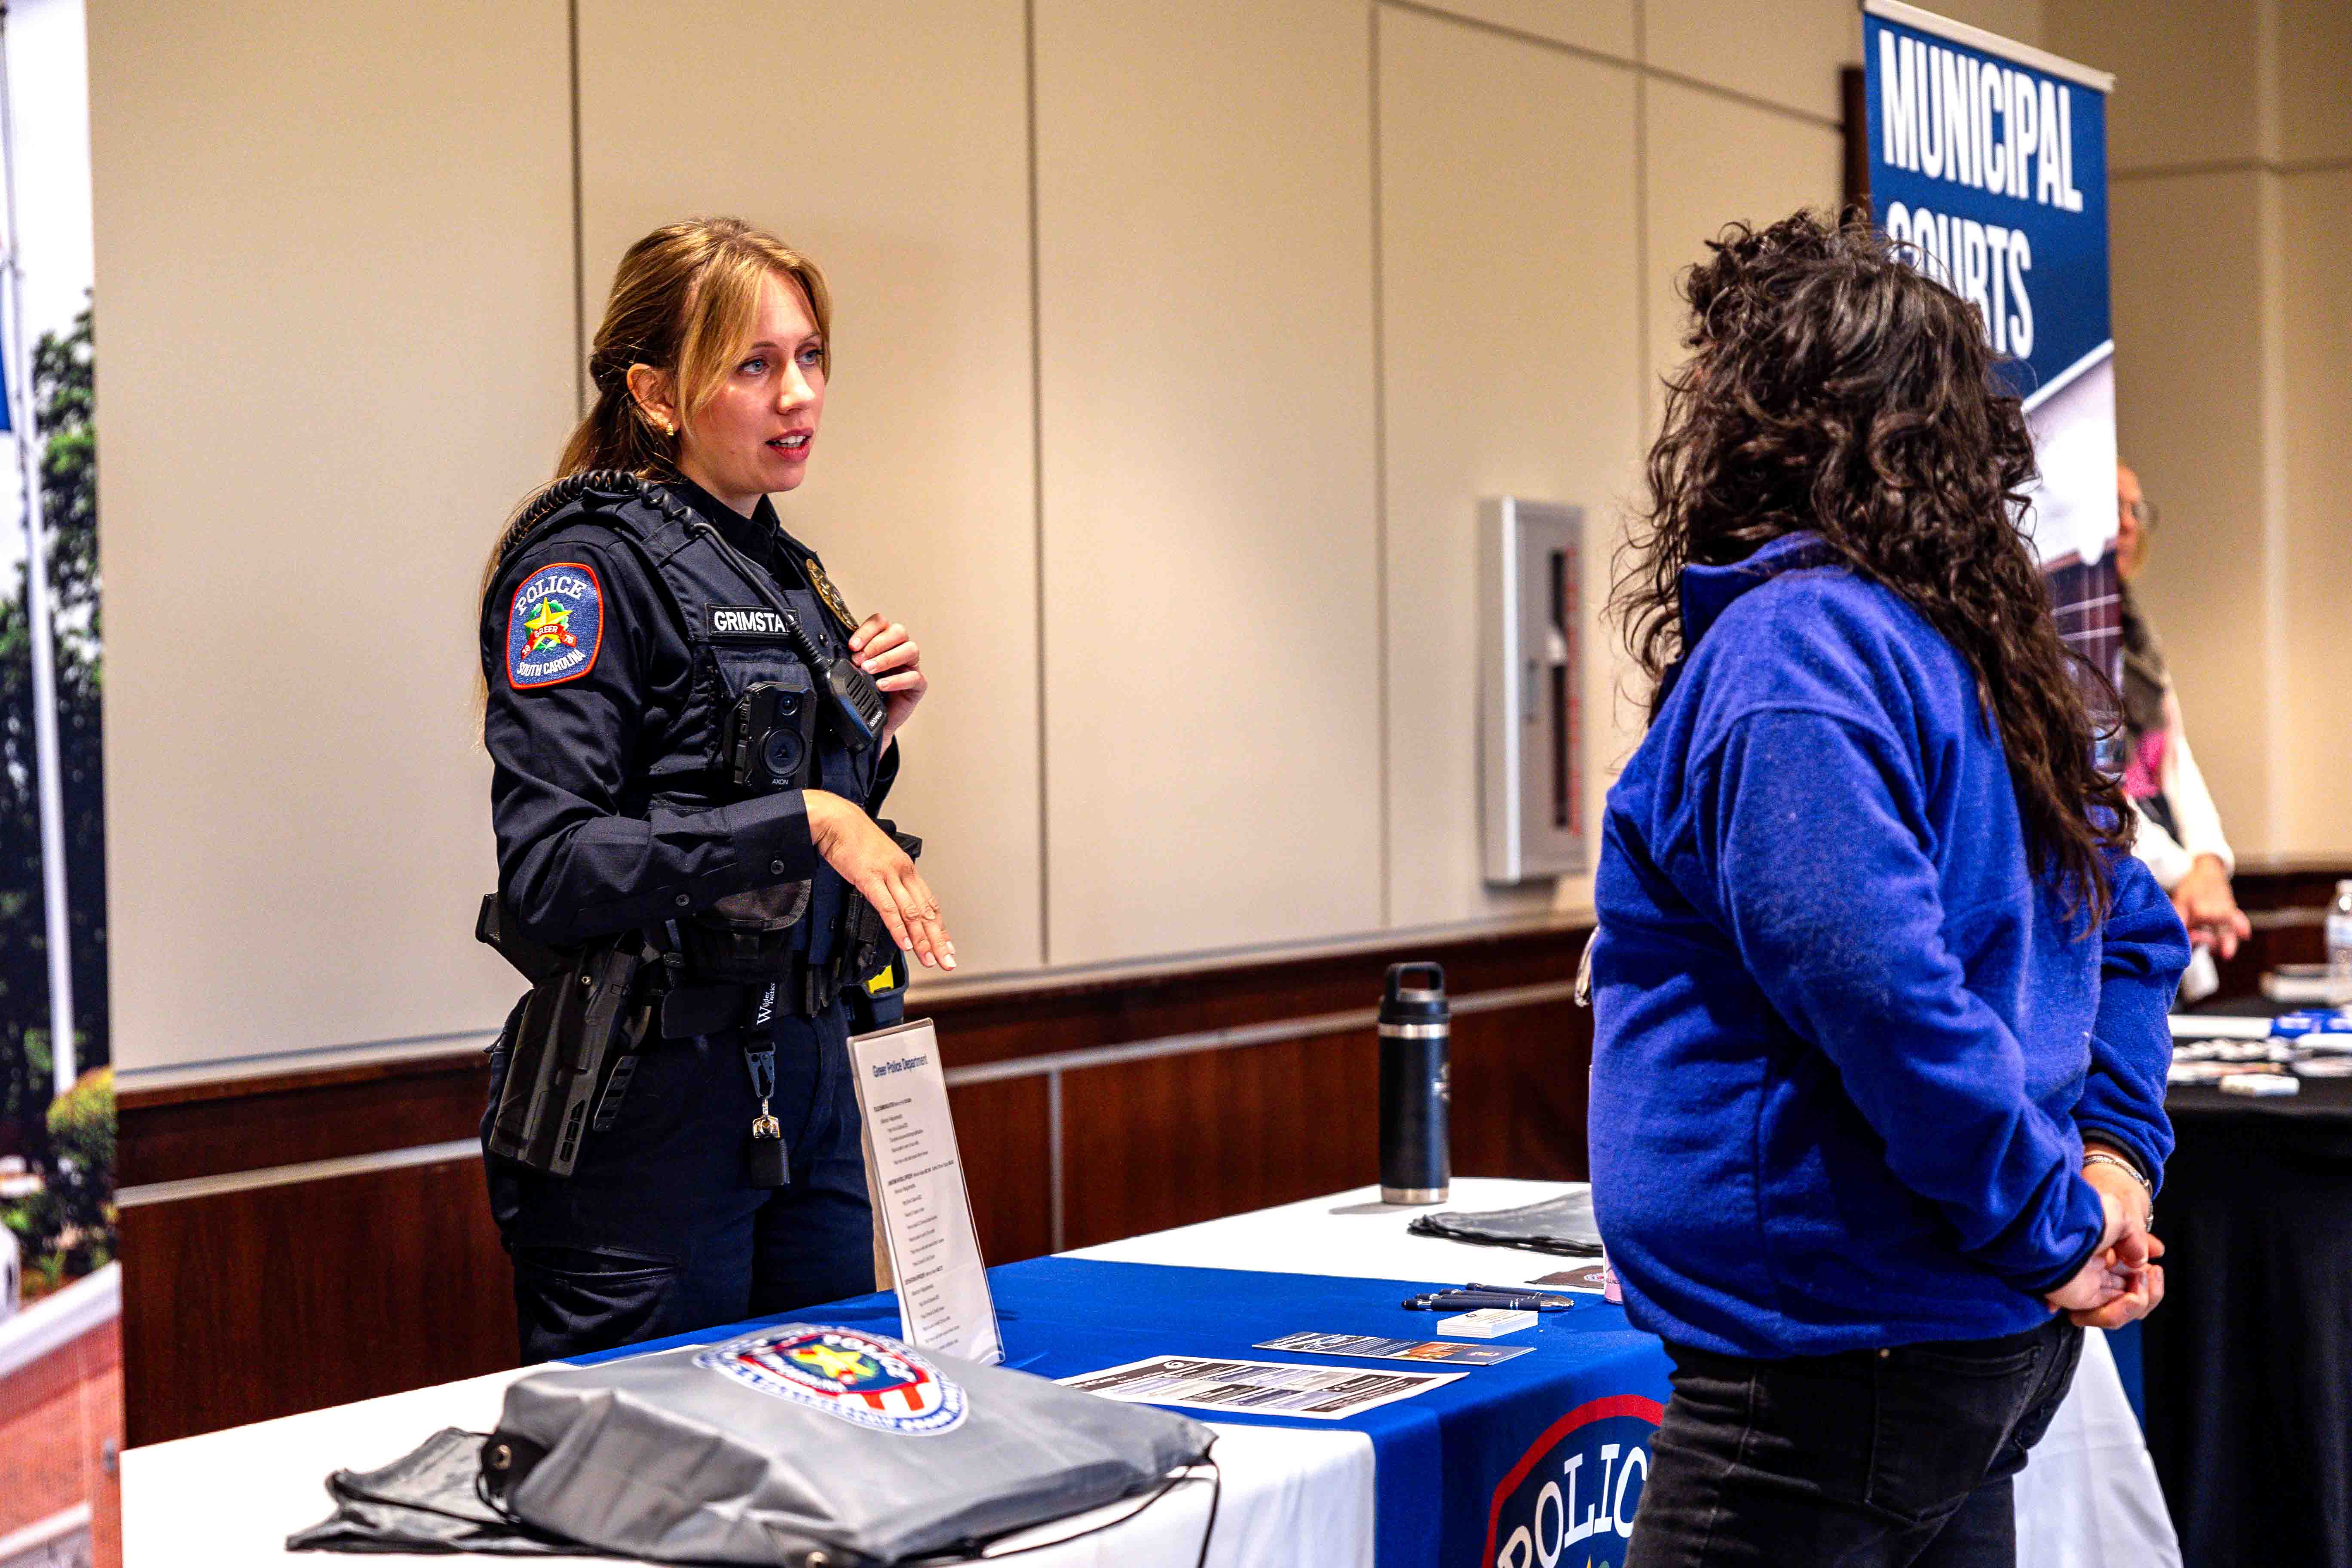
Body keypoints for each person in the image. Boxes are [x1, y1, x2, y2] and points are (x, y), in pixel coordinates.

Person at [1590, 214, 2184, 1568]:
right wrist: (2098, 1171)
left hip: (1831, 1361)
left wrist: (2073, 1196)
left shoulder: (1800, 652)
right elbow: (2131, 927)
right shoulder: (1972, 653)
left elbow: (1885, 994)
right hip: (1935, 1337)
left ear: (1766, 425)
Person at [475, 217, 954, 1361]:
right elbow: (551, 868)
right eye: (754, 365)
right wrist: (807, 817)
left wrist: (866, 743)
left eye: (811, 356)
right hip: (650, 1119)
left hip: (809, 1083)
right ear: (654, 392)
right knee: (658, 1491)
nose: (799, 395)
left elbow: (745, 799)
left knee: (838, 1457)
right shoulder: (582, 571)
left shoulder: (785, 573)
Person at [2116, 462, 2248, 1001]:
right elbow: (2082, 785)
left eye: (2135, 509)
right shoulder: (2046, 633)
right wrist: (2183, 872)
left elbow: (2176, 761)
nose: (2128, 524)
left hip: (2173, 884)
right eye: (2112, 506)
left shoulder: (2137, 636)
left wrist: (2210, 864)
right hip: (2118, 882)